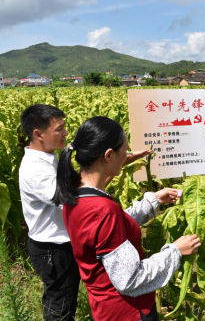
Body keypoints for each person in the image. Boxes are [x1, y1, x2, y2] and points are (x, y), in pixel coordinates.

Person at [52, 116, 201, 321]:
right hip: (129, 312)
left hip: (104, 308)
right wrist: (175, 251)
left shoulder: (74, 194)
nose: (128, 155)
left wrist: (152, 201)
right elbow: (130, 279)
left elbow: (109, 230)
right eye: (125, 149)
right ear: (108, 155)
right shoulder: (103, 210)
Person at [19, 104, 153, 320]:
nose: (65, 133)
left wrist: (115, 162)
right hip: (54, 249)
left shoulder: (50, 157)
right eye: (59, 129)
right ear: (38, 134)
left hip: (67, 241)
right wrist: (110, 165)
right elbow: (79, 198)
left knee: (70, 295)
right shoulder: (36, 171)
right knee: (60, 305)